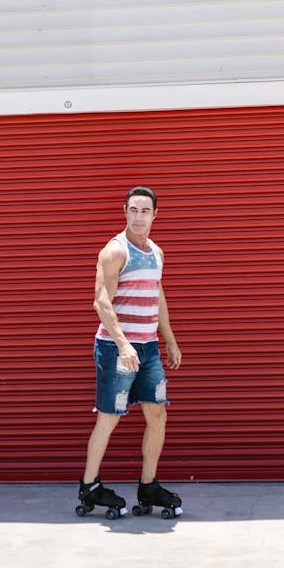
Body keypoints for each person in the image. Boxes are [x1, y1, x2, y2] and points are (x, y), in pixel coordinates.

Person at [78, 186, 183, 516]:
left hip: (149, 348)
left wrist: (169, 339)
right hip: (115, 348)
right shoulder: (114, 251)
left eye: (145, 211)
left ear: (155, 215)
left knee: (157, 415)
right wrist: (123, 344)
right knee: (109, 418)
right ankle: (90, 486)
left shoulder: (157, 252)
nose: (138, 216)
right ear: (125, 211)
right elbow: (100, 301)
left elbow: (157, 296)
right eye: (133, 210)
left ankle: (148, 486)